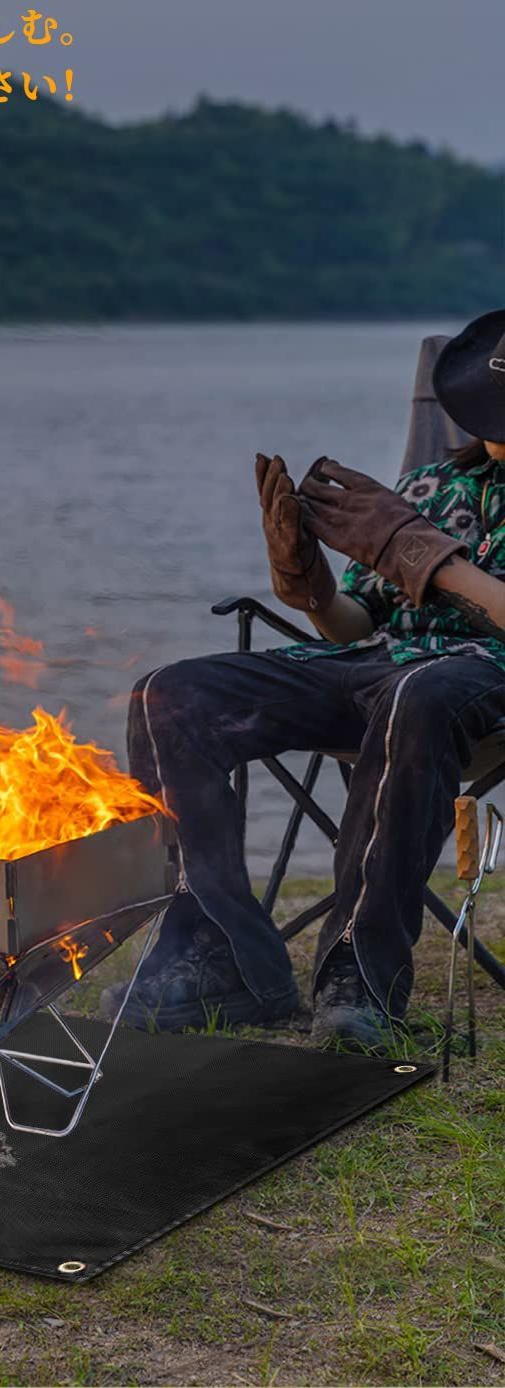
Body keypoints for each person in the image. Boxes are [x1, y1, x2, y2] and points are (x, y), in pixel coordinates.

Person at [102, 309, 505, 1046]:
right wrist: (307, 580)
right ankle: (219, 953)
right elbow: (354, 624)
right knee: (171, 694)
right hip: (381, 668)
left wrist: (430, 559)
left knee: (417, 695)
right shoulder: (431, 483)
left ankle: (359, 978)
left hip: (482, 681)